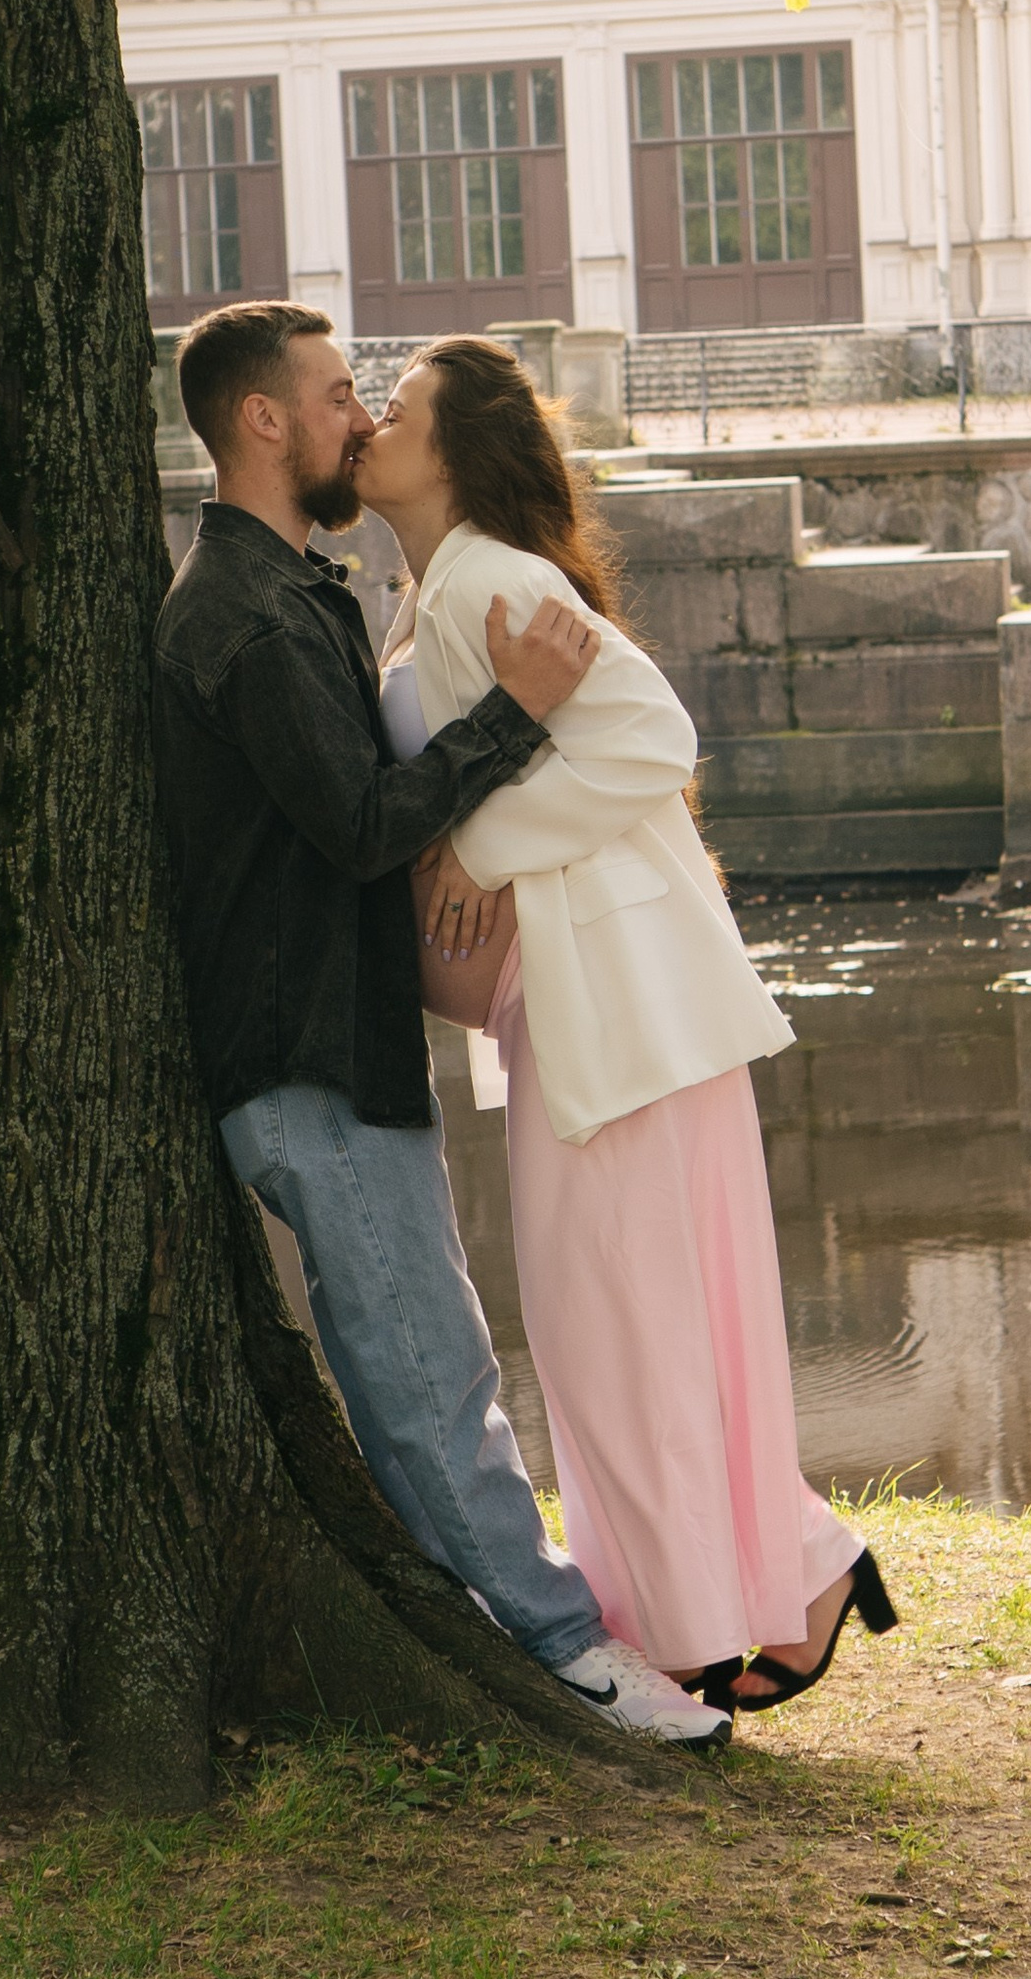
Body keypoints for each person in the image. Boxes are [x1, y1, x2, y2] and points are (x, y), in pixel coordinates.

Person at [152, 299, 730, 1748]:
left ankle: (487, 1634)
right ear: (266, 420)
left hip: (336, 1050)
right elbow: (356, 823)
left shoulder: (299, 594)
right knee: (429, 1371)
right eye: (339, 394)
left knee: (418, 1358)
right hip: (303, 1060)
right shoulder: (242, 611)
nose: (359, 417)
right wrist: (515, 717)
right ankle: (566, 1657)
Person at [354, 335, 896, 1717]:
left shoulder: (498, 580)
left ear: (460, 446)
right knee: (637, 1325)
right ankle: (786, 1574)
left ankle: (720, 1612)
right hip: (579, 1011)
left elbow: (652, 737)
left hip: (618, 1006)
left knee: (622, 1328)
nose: (369, 422)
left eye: (397, 407)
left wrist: (482, 854)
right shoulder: (432, 595)